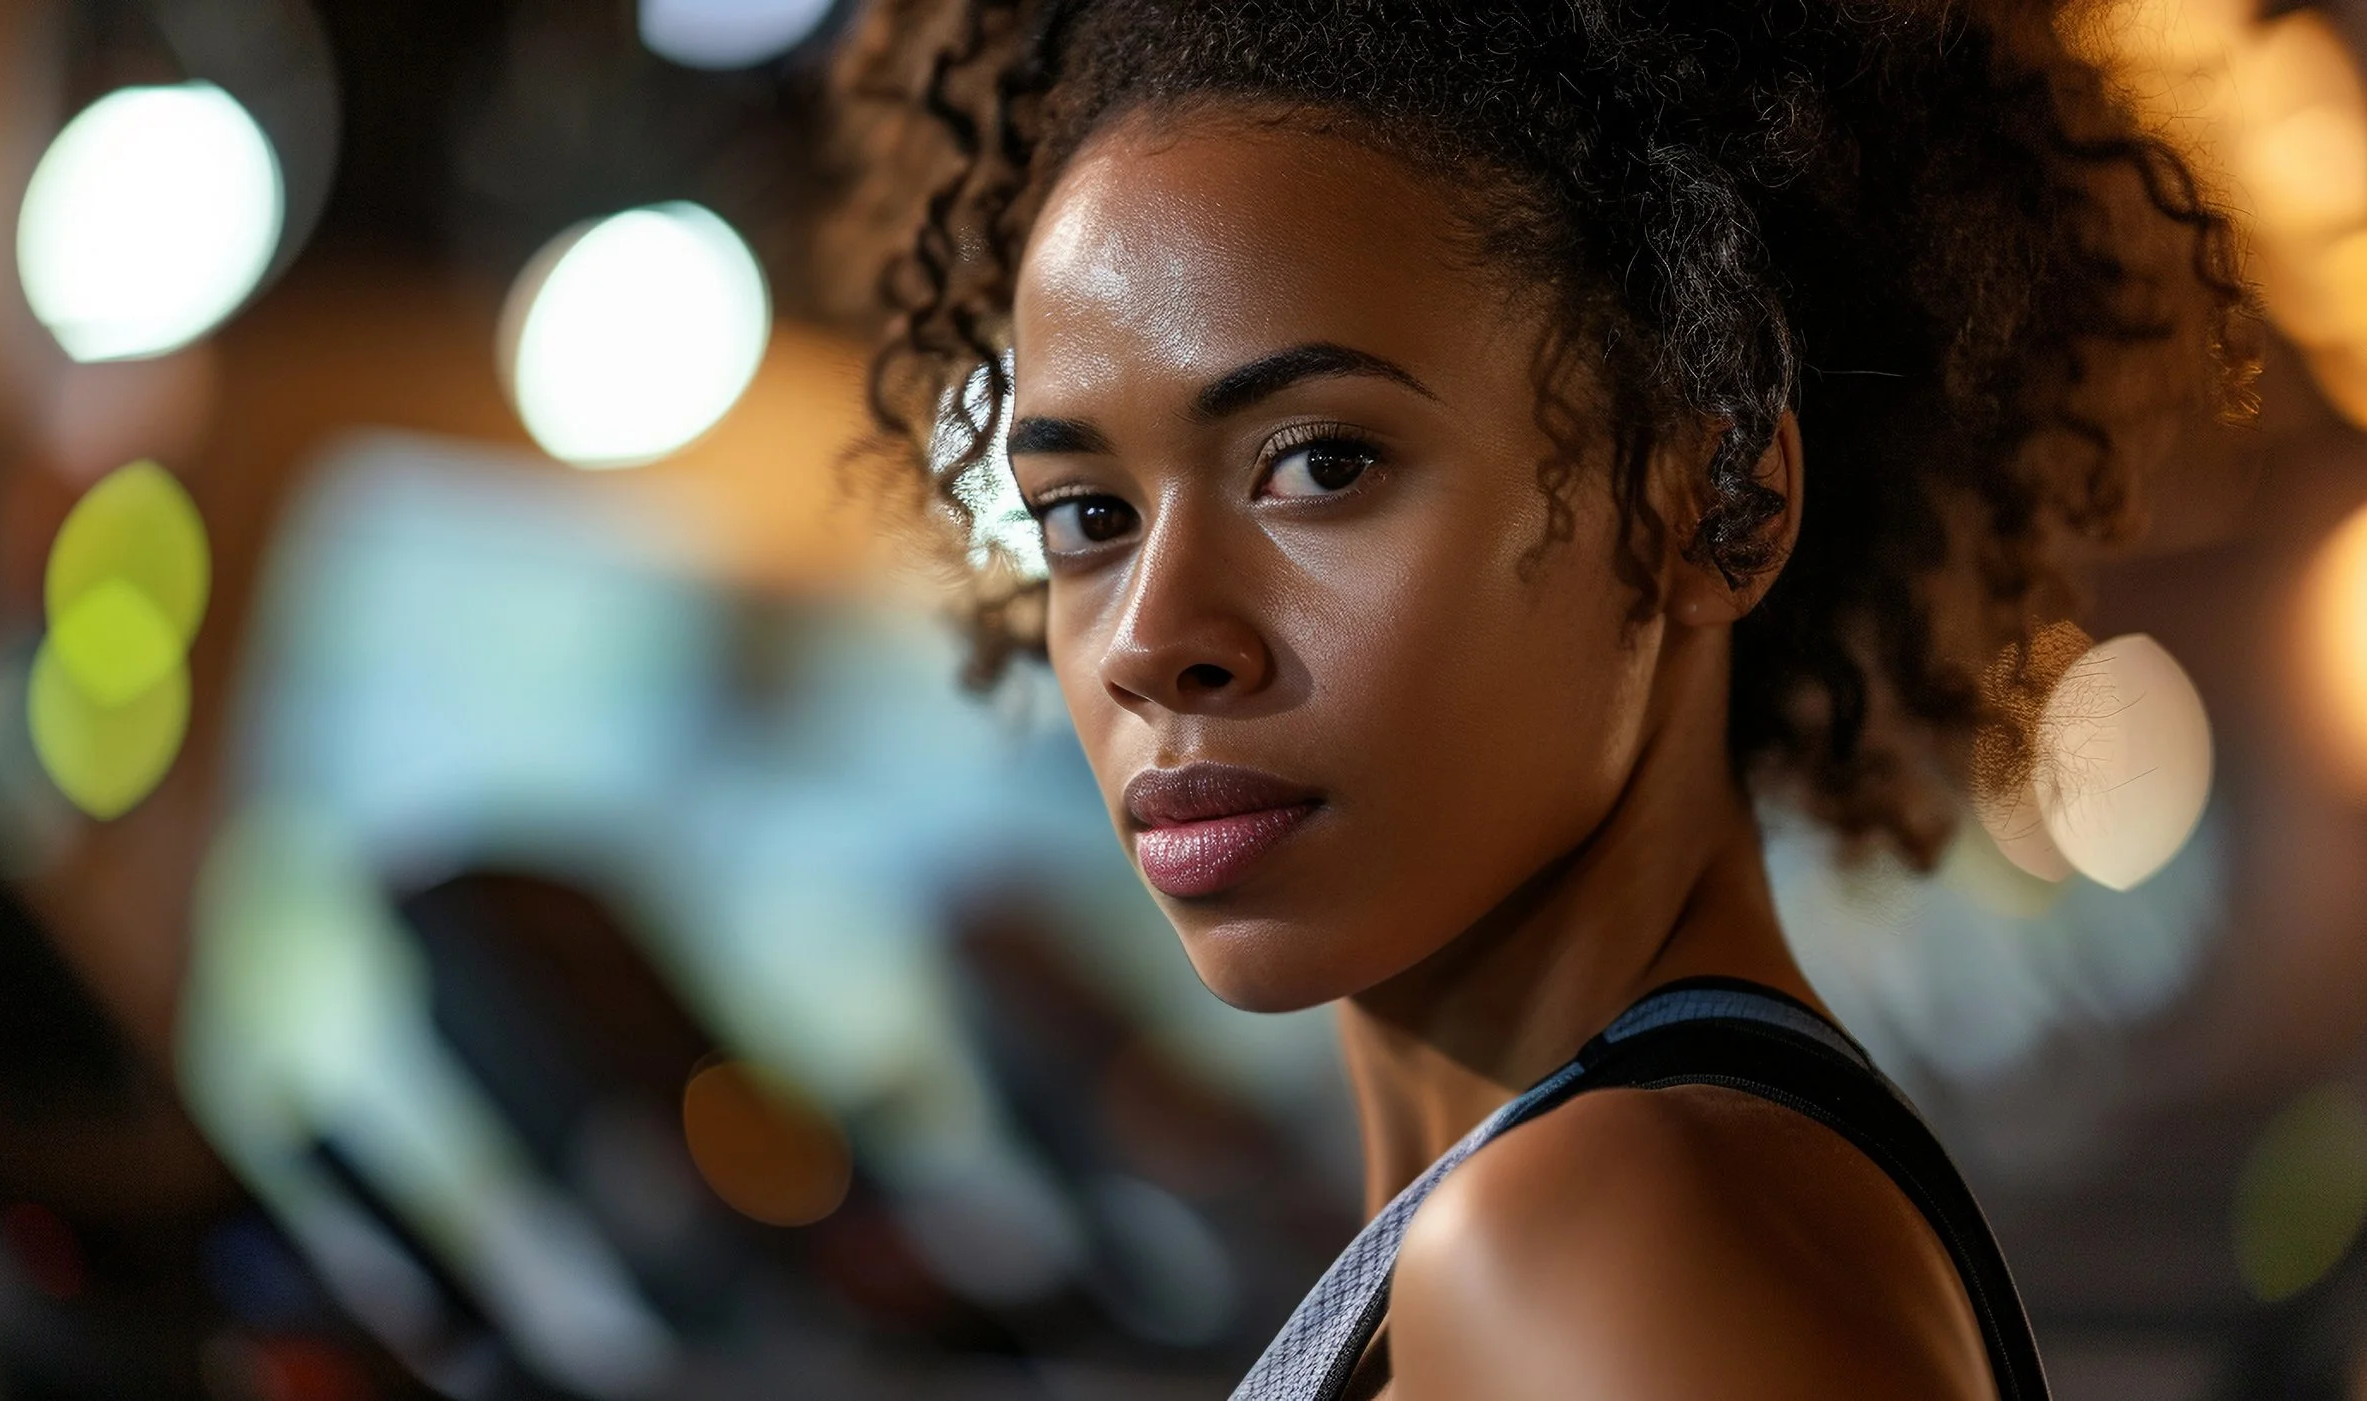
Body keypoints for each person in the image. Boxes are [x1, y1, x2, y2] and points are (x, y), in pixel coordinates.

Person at [833, 2, 2250, 1396]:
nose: (1150, 642)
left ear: (1714, 510)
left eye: (1320, 465)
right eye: (1086, 514)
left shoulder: (1598, 1246)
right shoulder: (1635, 1204)